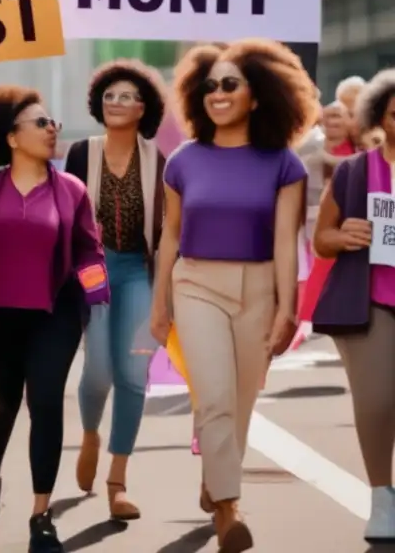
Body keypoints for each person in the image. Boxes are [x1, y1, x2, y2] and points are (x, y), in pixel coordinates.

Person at [150, 39, 314, 552]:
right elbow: (170, 237)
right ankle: (229, 510)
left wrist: (289, 309)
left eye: (229, 84)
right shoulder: (181, 161)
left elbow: (286, 241)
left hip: (261, 287)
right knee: (215, 396)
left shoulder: (284, 164)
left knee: (241, 402)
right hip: (197, 284)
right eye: (209, 85)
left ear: (258, 96)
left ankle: (215, 482)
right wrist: (161, 303)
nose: (216, 94)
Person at [0, 86, 109, 553]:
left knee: (45, 401)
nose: (52, 130)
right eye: (41, 123)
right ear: (11, 137)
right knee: (2, 401)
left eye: (53, 123)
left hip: (54, 313)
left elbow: (89, 249)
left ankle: (41, 514)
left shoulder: (71, 190)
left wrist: (96, 296)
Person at [64, 60, 167, 520]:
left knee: (133, 374)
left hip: (140, 271)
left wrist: (165, 291)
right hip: (93, 268)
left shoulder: (160, 161)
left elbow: (168, 232)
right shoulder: (80, 153)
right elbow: (64, 220)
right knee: (100, 370)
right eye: (109, 95)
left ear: (144, 107)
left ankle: (118, 480)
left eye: (127, 96)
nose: (116, 102)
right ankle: (90, 434)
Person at [312, 69, 395, 543]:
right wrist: (342, 237)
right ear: (378, 118)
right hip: (373, 299)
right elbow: (322, 238)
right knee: (377, 400)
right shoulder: (355, 171)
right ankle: (382, 495)